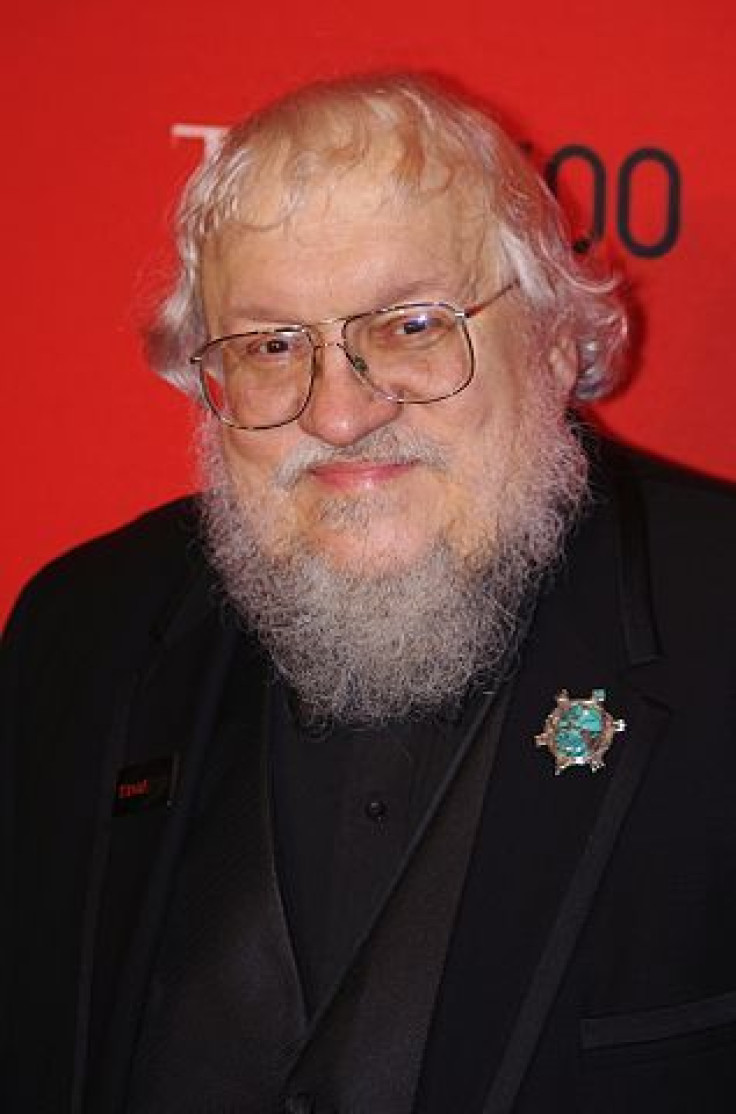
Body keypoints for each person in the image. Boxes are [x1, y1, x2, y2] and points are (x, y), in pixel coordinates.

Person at [2, 74, 735, 1114]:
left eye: (410, 326)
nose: (339, 412)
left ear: (554, 338)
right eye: (269, 346)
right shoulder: (81, 634)